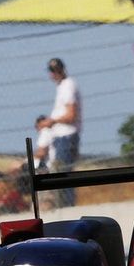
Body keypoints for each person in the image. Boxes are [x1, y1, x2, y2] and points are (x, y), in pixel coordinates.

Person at [37, 57, 81, 206]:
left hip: (66, 137)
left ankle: (67, 206)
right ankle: (64, 204)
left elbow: (71, 114)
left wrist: (52, 121)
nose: (52, 74)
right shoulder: (63, 86)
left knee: (64, 174)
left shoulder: (68, 86)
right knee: (60, 173)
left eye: (54, 71)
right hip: (61, 137)